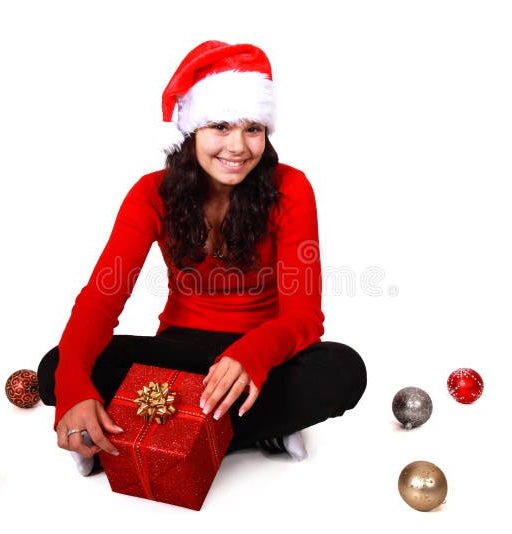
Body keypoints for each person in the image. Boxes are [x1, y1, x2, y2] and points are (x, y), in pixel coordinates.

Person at [37, 40, 367, 476]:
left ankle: (140, 437)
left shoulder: (292, 188)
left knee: (343, 369)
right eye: (220, 127)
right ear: (193, 130)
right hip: (181, 352)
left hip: (262, 357)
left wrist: (252, 356)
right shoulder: (149, 194)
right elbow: (102, 299)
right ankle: (260, 427)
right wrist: (75, 389)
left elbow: (304, 317)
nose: (238, 146)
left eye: (253, 129)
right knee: (56, 368)